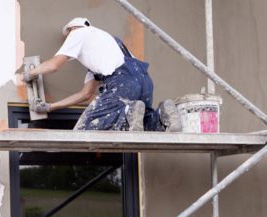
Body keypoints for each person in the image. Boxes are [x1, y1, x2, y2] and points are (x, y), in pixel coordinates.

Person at [23, 17, 180, 133]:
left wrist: (30, 73)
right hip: (144, 80)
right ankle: (161, 114)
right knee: (142, 125)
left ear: (72, 29)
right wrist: (51, 107)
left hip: (123, 81)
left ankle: (127, 112)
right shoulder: (106, 46)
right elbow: (85, 94)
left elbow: (54, 65)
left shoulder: (78, 34)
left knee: (84, 130)